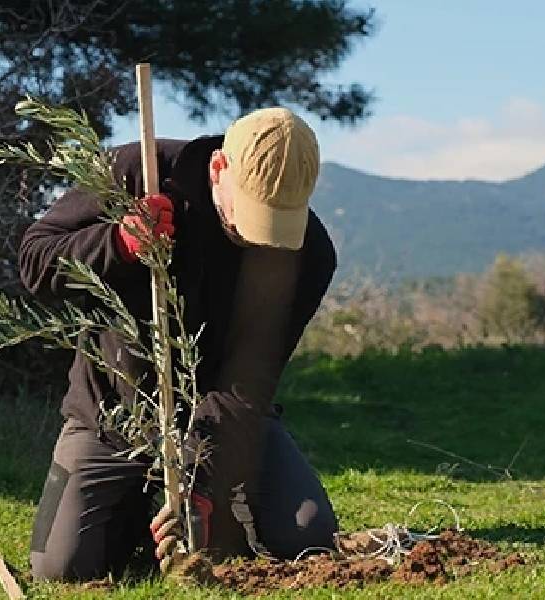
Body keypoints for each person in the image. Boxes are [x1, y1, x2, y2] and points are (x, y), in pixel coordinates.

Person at [20, 106, 339, 581]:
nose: (260, 240)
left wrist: (201, 484)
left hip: (224, 418)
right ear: (218, 169)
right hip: (113, 415)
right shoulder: (138, 172)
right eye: (251, 215)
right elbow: (35, 262)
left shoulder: (308, 256)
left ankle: (206, 516)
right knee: (59, 566)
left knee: (307, 535)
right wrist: (118, 243)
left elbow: (248, 385)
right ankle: (133, 513)